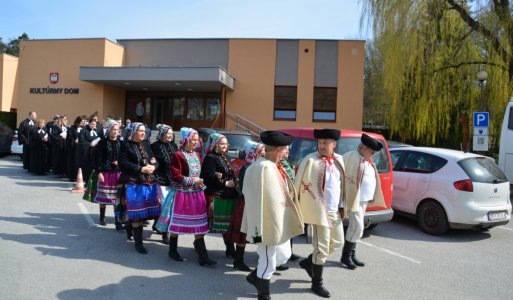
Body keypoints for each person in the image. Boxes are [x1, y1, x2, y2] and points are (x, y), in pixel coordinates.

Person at [242, 131, 304, 300]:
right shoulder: (262, 168)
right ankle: (264, 295)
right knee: (268, 261)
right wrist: (260, 228)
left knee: (284, 254)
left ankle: (255, 277)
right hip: (267, 223)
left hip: (278, 221)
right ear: (278, 149)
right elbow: (256, 201)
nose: (287, 153)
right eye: (285, 149)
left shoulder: (274, 166)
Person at [295, 128, 345, 298]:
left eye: (326, 143)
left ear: (334, 144)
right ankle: (317, 283)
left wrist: (343, 206)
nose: (322, 146)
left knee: (338, 242)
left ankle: (310, 262)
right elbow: (298, 184)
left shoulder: (340, 160)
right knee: (321, 248)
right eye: (320, 142)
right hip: (318, 211)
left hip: (334, 212)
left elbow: (342, 184)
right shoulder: (310, 160)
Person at [156, 127, 216, 267]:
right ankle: (172, 251)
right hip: (182, 193)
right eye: (193, 140)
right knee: (177, 224)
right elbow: (175, 175)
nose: (196, 142)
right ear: (186, 140)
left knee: (200, 224)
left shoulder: (197, 155)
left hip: (197, 193)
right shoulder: (178, 155)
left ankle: (203, 256)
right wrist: (191, 180)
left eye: (197, 140)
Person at [340, 133, 385, 269]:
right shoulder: (351, 157)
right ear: (364, 148)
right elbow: (344, 179)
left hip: (363, 200)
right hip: (354, 200)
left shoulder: (366, 160)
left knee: (355, 228)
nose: (373, 155)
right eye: (371, 152)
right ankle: (346, 256)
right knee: (358, 228)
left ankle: (351, 255)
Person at [118, 122, 161, 254]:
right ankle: (139, 243)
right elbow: (123, 163)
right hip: (133, 183)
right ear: (133, 132)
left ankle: (130, 227)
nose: (143, 133)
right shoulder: (125, 145)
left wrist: (154, 167)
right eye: (140, 131)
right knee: (137, 213)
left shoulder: (147, 144)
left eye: (144, 131)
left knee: (146, 211)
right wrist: (140, 168)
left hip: (149, 182)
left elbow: (154, 160)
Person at [225, 141, 265, 272]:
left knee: (256, 233)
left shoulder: (258, 167)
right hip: (246, 203)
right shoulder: (246, 168)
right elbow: (244, 188)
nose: (263, 156)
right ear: (254, 154)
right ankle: (239, 260)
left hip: (254, 202)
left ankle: (263, 260)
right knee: (243, 233)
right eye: (261, 154)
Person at [201, 133, 240, 261]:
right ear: (215, 145)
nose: (224, 146)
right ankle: (200, 249)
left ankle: (230, 250)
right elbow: (207, 177)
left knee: (227, 225)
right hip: (216, 195)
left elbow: (230, 174)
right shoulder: (210, 158)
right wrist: (224, 183)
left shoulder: (226, 157)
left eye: (226, 144)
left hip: (228, 195)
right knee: (208, 224)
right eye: (221, 144)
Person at [150, 124, 178, 243]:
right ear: (161, 134)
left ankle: (157, 224)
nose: (170, 136)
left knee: (171, 206)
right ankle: (164, 234)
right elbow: (153, 162)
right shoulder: (154, 146)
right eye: (168, 134)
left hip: (174, 180)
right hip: (161, 180)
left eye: (172, 134)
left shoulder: (174, 145)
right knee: (165, 207)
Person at [94, 120, 122, 227]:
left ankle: (117, 218)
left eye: (117, 130)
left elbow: (124, 158)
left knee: (117, 197)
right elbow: (98, 158)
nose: (115, 132)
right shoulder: (102, 142)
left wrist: (119, 163)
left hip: (117, 172)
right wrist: (99, 171)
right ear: (109, 130)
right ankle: (102, 216)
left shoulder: (121, 143)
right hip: (105, 172)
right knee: (104, 195)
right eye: (113, 130)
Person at [78, 118, 100, 183]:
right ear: (89, 124)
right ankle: (87, 180)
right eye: (92, 124)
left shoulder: (97, 131)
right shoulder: (84, 130)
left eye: (95, 124)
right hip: (87, 152)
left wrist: (97, 143)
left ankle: (94, 180)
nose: (94, 125)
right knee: (87, 166)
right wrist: (90, 144)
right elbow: (81, 141)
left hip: (95, 151)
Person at [66, 116, 86, 181]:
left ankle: (79, 176)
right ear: (78, 121)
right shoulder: (72, 128)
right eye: (82, 122)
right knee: (72, 162)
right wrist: (74, 140)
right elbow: (69, 137)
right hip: (73, 148)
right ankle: (72, 176)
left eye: (83, 122)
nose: (83, 123)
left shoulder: (84, 128)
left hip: (80, 149)